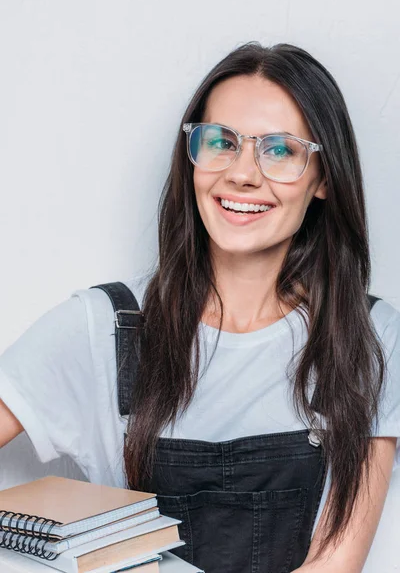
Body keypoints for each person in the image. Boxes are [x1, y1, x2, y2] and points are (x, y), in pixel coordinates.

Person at [0, 42, 399, 573]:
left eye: (280, 150)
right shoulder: (103, 328)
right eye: (221, 142)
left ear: (324, 177)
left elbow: (335, 564)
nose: (242, 174)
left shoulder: (370, 336)